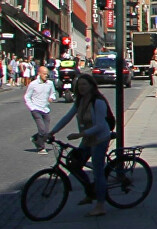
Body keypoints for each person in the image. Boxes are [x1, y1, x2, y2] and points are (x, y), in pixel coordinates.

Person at [48, 72, 112, 217]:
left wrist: (80, 134)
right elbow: (67, 117)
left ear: (91, 86)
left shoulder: (98, 101)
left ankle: (100, 205)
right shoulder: (80, 101)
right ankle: (90, 191)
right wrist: (52, 132)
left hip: (100, 139)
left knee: (98, 171)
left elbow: (101, 125)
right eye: (79, 85)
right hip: (87, 139)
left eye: (85, 84)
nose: (82, 87)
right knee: (74, 164)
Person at [24, 64, 58, 152]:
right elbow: (27, 97)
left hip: (45, 109)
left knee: (46, 132)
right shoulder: (33, 84)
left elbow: (53, 93)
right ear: (39, 74)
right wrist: (31, 107)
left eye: (47, 74)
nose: (46, 75)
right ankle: (41, 147)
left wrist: (52, 98)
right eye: (44, 74)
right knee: (42, 129)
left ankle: (35, 138)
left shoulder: (50, 83)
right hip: (36, 109)